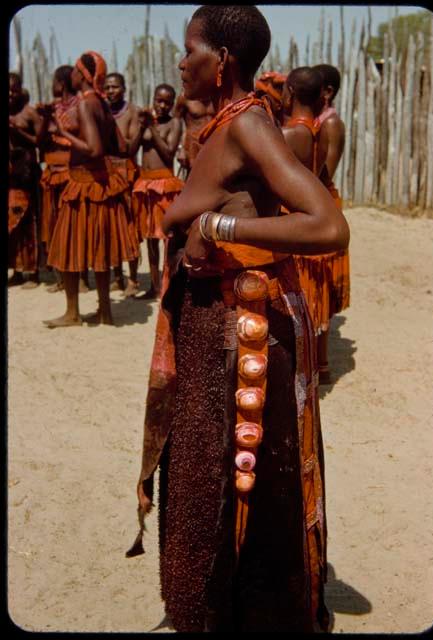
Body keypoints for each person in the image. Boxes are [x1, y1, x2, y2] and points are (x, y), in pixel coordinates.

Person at [131, 6, 349, 633]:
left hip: (236, 337)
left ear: (221, 58)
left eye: (188, 49)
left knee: (230, 488)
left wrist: (219, 226)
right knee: (203, 483)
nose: (180, 61)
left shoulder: (249, 123)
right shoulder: (226, 124)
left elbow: (328, 224)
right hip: (209, 337)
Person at [44, 51, 140, 327]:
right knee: (99, 249)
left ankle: (73, 313)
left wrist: (64, 135)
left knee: (69, 247)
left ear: (83, 75)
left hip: (84, 184)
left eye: (75, 69)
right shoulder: (101, 104)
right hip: (100, 186)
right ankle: (105, 312)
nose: (71, 75)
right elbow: (120, 146)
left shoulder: (86, 104)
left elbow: (96, 149)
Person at [281, 66, 338, 380]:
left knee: (292, 302)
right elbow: (323, 179)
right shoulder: (322, 132)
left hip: (292, 224)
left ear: (289, 92)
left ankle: (299, 369)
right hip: (313, 220)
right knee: (313, 300)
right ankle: (316, 366)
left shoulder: (288, 135)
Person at [37, 65, 90, 294]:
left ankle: (83, 279)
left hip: (72, 174)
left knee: (76, 227)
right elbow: (39, 141)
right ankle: (62, 279)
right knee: (55, 227)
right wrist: (45, 119)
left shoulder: (81, 106)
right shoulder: (52, 109)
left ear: (61, 83)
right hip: (52, 173)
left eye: (54, 81)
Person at [313, 63, 349, 383]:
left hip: (321, 202)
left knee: (318, 281)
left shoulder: (332, 124)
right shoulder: (312, 120)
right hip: (311, 199)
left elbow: (325, 174)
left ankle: (321, 363)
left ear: (326, 92)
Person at [131, 84, 183, 298]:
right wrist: (141, 127)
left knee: (168, 237)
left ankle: (170, 285)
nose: (161, 106)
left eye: (166, 102)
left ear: (172, 104)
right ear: (153, 99)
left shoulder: (174, 123)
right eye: (158, 101)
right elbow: (131, 150)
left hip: (165, 184)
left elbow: (169, 153)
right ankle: (154, 286)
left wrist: (152, 128)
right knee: (150, 239)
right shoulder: (145, 123)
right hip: (145, 184)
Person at [104, 72, 141, 297]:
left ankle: (134, 279)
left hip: (126, 173)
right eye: (107, 87)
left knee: (129, 226)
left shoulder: (132, 112)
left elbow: (127, 147)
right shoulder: (102, 112)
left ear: (124, 89)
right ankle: (117, 276)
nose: (110, 91)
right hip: (107, 174)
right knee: (111, 226)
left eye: (115, 87)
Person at [8, 72, 43, 288]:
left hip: (27, 171)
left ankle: (33, 272)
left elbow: (40, 141)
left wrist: (18, 130)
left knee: (29, 222)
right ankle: (17, 271)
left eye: (14, 90)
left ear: (21, 89)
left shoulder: (29, 113)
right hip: (10, 173)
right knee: (12, 224)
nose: (10, 94)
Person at [174, 94, 215, 176]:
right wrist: (180, 148)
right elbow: (176, 122)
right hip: (193, 146)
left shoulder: (217, 94)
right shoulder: (185, 97)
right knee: (193, 178)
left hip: (214, 144)